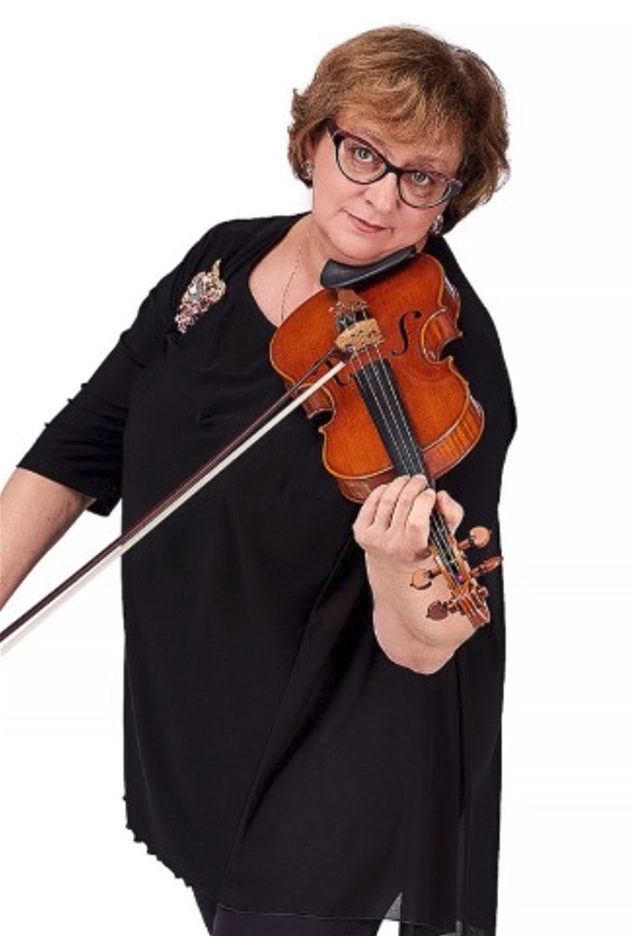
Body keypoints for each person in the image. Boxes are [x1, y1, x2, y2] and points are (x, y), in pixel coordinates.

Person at [0, 24, 515, 936]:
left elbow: (429, 643)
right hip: (207, 698)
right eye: (363, 152)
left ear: (451, 198)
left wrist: (395, 563)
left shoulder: (453, 366)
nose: (381, 196)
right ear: (314, 140)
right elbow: (82, 442)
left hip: (340, 738)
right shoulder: (225, 259)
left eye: (422, 177)